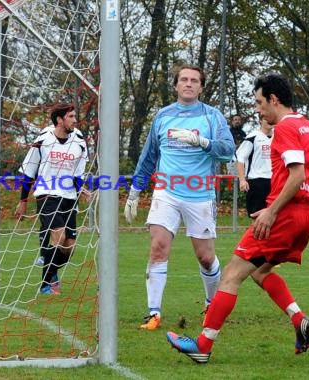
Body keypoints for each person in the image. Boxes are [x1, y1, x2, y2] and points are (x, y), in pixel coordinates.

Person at [166, 73, 309, 363]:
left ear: (274, 100)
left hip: (282, 217)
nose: (258, 110)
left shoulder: (283, 128)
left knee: (231, 275)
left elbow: (296, 175)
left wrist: (273, 210)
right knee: (259, 272)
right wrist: (306, 205)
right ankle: (299, 319)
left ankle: (202, 345)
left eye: (259, 103)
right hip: (305, 217)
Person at [124, 64, 235, 330]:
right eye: (183, 79)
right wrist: (135, 192)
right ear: (175, 84)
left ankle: (211, 306)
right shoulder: (163, 116)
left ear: (201, 86)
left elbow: (228, 150)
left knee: (206, 257)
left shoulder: (212, 116)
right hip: (166, 192)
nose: (188, 84)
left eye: (194, 80)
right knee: (158, 247)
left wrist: (202, 142)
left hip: (200, 194)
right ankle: (153, 313)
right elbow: (149, 156)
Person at [15, 104, 91, 295]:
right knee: (59, 235)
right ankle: (45, 284)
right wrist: (23, 201)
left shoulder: (79, 141)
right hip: (46, 194)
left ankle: (52, 272)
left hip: (69, 197)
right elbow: (29, 171)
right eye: (71, 116)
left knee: (69, 247)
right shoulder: (43, 139)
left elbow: (77, 174)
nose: (75, 120)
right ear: (59, 119)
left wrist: (81, 187)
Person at [236, 115, 274, 216]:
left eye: (271, 118)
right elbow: (240, 158)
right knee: (256, 216)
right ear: (260, 121)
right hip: (257, 181)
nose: (270, 120)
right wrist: (242, 180)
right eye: (266, 118)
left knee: (275, 215)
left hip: (275, 180)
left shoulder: (279, 137)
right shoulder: (253, 137)